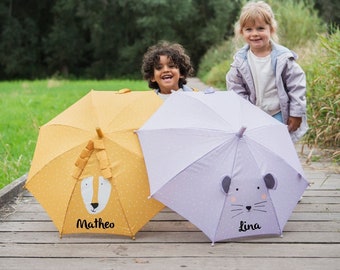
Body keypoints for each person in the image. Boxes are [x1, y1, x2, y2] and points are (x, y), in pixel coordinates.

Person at [226, 1, 308, 142]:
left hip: (279, 113)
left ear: (271, 29)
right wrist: (245, 113)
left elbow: (296, 85)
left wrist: (296, 113)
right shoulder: (240, 62)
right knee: (258, 148)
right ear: (241, 32)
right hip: (254, 117)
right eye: (249, 29)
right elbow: (235, 89)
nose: (255, 34)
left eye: (260, 28)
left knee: (280, 148)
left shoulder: (283, 58)